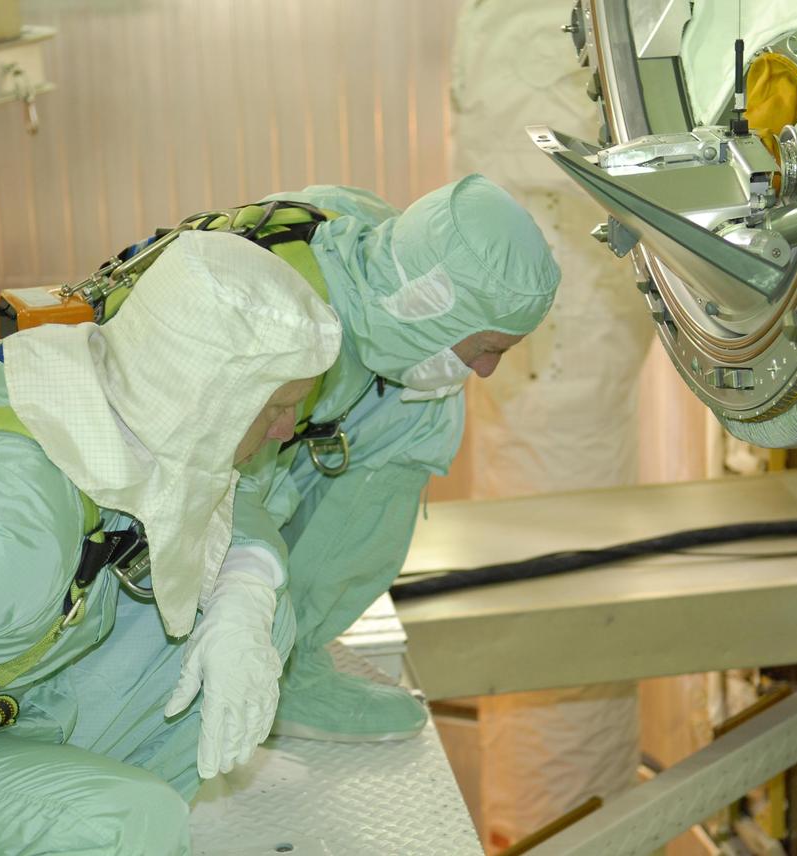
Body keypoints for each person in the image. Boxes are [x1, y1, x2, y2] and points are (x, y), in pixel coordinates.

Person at [0, 231, 342, 855]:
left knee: (246, 614)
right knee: (125, 827)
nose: (284, 429)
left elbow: (223, 494)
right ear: (208, 399)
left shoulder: (90, 388)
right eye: (275, 405)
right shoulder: (2, 533)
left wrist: (246, 582)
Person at [228, 173, 562, 742]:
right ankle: (271, 673)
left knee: (424, 410)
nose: (486, 371)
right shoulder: (289, 332)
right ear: (433, 307)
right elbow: (217, 495)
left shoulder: (364, 239)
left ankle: (286, 655)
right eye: (485, 348)